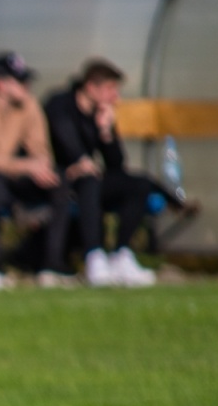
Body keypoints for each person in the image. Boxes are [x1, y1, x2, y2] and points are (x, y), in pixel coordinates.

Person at [0, 51, 70, 290]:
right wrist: (27, 165)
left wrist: (41, 167)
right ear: (1, 83)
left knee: (58, 182)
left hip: (11, 175)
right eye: (20, 80)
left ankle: (52, 265)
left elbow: (40, 147)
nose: (26, 86)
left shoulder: (29, 104)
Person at [43, 59, 157, 287]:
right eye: (110, 89)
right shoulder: (60, 104)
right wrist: (81, 161)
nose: (116, 97)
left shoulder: (102, 114)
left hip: (90, 178)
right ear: (91, 87)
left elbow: (116, 165)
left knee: (139, 184)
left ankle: (121, 254)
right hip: (58, 179)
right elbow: (67, 146)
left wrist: (106, 131)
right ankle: (93, 255)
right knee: (90, 180)